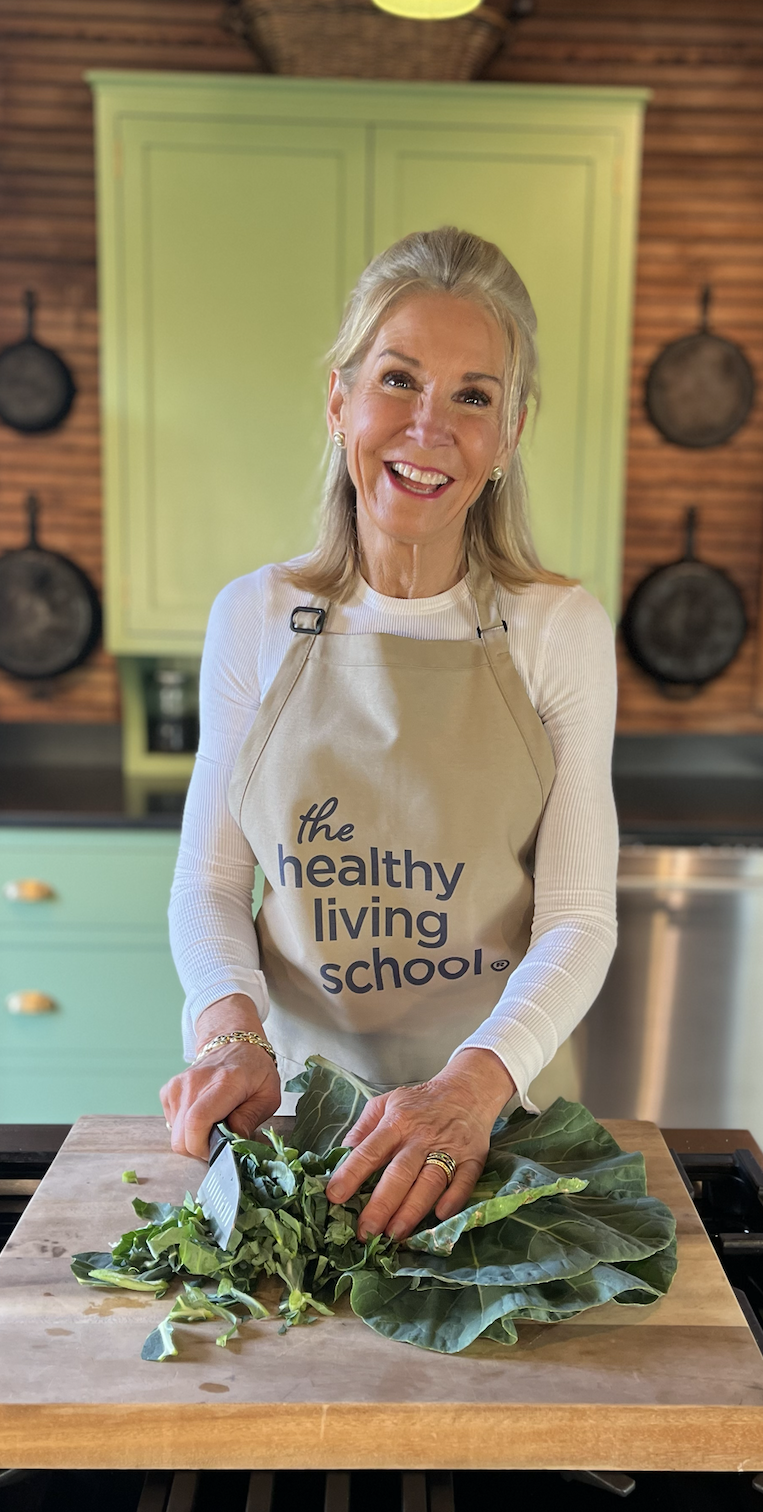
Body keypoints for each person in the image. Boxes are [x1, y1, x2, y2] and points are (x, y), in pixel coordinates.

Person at [161, 226, 617, 1245]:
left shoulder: (556, 630)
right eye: (397, 379)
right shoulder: (254, 616)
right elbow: (211, 883)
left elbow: (578, 915)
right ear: (339, 402)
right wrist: (229, 1029)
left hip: (498, 1130)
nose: (428, 425)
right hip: (289, 1126)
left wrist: (470, 1087)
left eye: (472, 394)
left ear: (509, 432)